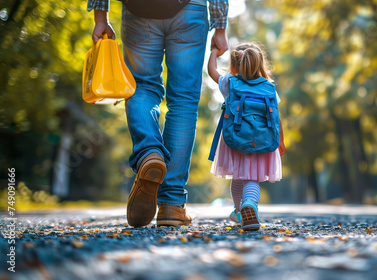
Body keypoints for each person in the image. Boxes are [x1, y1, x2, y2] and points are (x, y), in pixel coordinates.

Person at [87, 0, 229, 228]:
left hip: (139, 10)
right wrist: (220, 27)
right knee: (183, 101)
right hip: (190, 9)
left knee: (141, 87)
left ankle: (150, 153)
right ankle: (171, 204)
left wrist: (101, 17)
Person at [207, 42, 283, 231]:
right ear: (260, 64)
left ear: (235, 64)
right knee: (252, 179)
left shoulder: (230, 83)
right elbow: (276, 118)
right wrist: (280, 141)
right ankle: (250, 204)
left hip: (235, 138)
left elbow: (212, 71)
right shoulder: (269, 88)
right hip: (262, 139)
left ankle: (239, 209)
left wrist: (214, 52)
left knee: (238, 177)